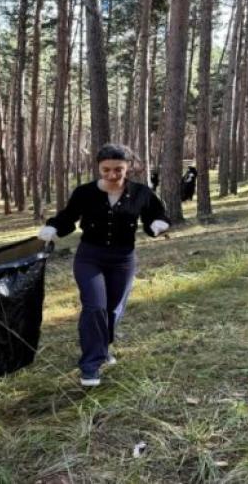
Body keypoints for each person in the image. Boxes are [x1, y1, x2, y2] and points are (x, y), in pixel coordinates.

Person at [37, 144, 170, 387]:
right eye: (106, 169)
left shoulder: (141, 193)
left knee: (113, 309)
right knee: (94, 307)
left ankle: (103, 348)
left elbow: (156, 215)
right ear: (98, 167)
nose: (112, 175)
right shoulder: (85, 192)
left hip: (123, 259)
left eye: (118, 170)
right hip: (90, 257)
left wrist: (159, 225)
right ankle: (90, 365)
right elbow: (69, 216)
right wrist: (54, 227)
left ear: (128, 167)